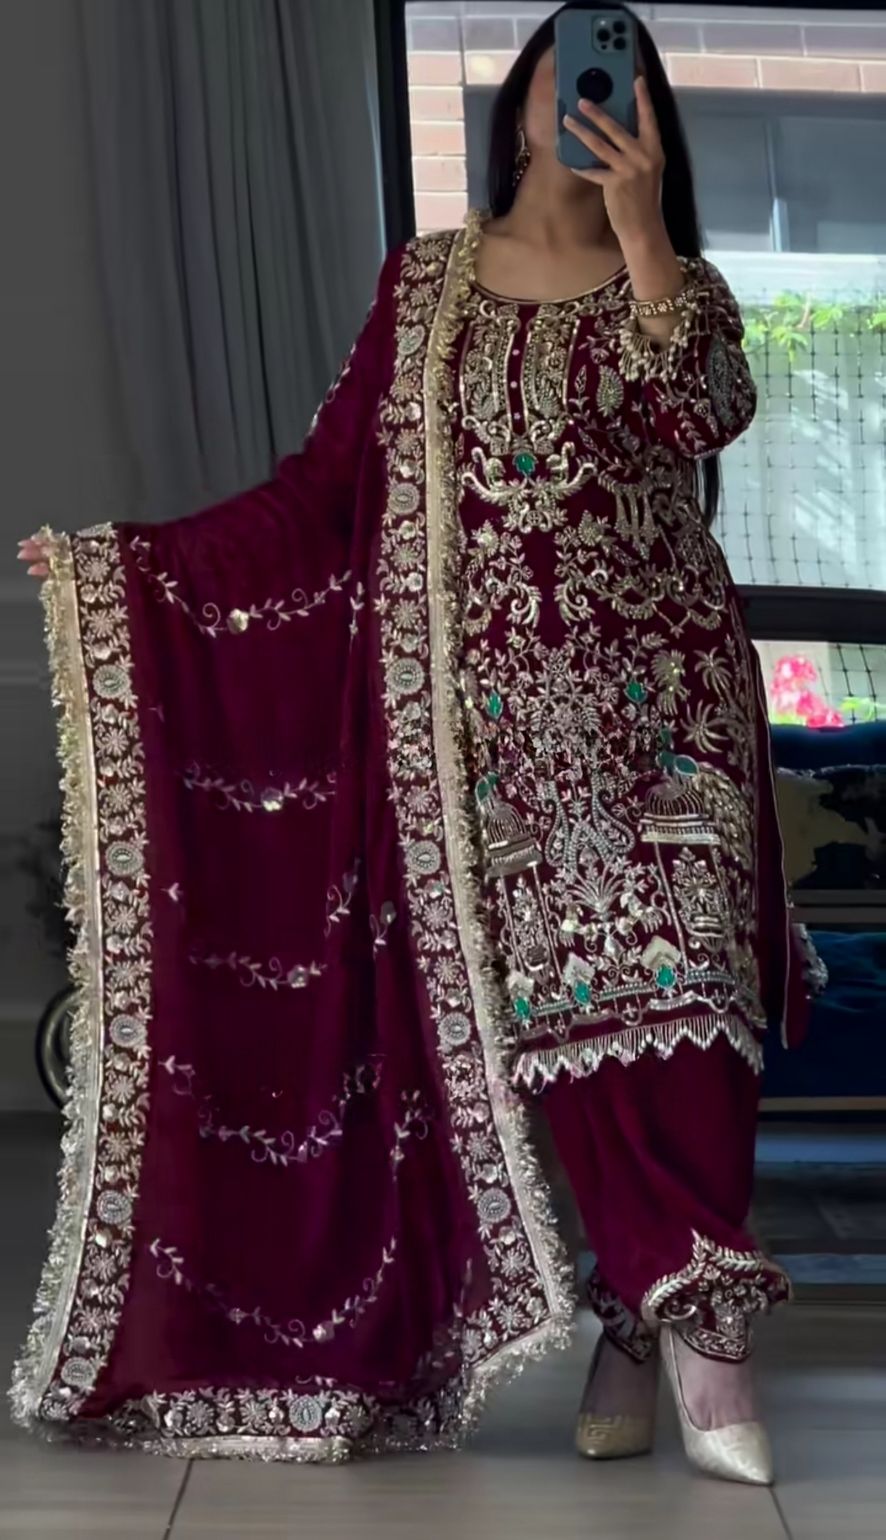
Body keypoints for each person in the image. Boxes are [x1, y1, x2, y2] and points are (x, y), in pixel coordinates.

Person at [15, 1, 811, 1483]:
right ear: (520, 106)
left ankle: (698, 1335)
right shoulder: (428, 286)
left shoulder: (676, 282)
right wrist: (134, 565)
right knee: (573, 1023)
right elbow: (325, 489)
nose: (590, 102)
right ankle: (644, 1323)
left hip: (672, 716)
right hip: (496, 739)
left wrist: (643, 232)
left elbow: (707, 411)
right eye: (568, 77)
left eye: (622, 84)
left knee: (694, 1000)